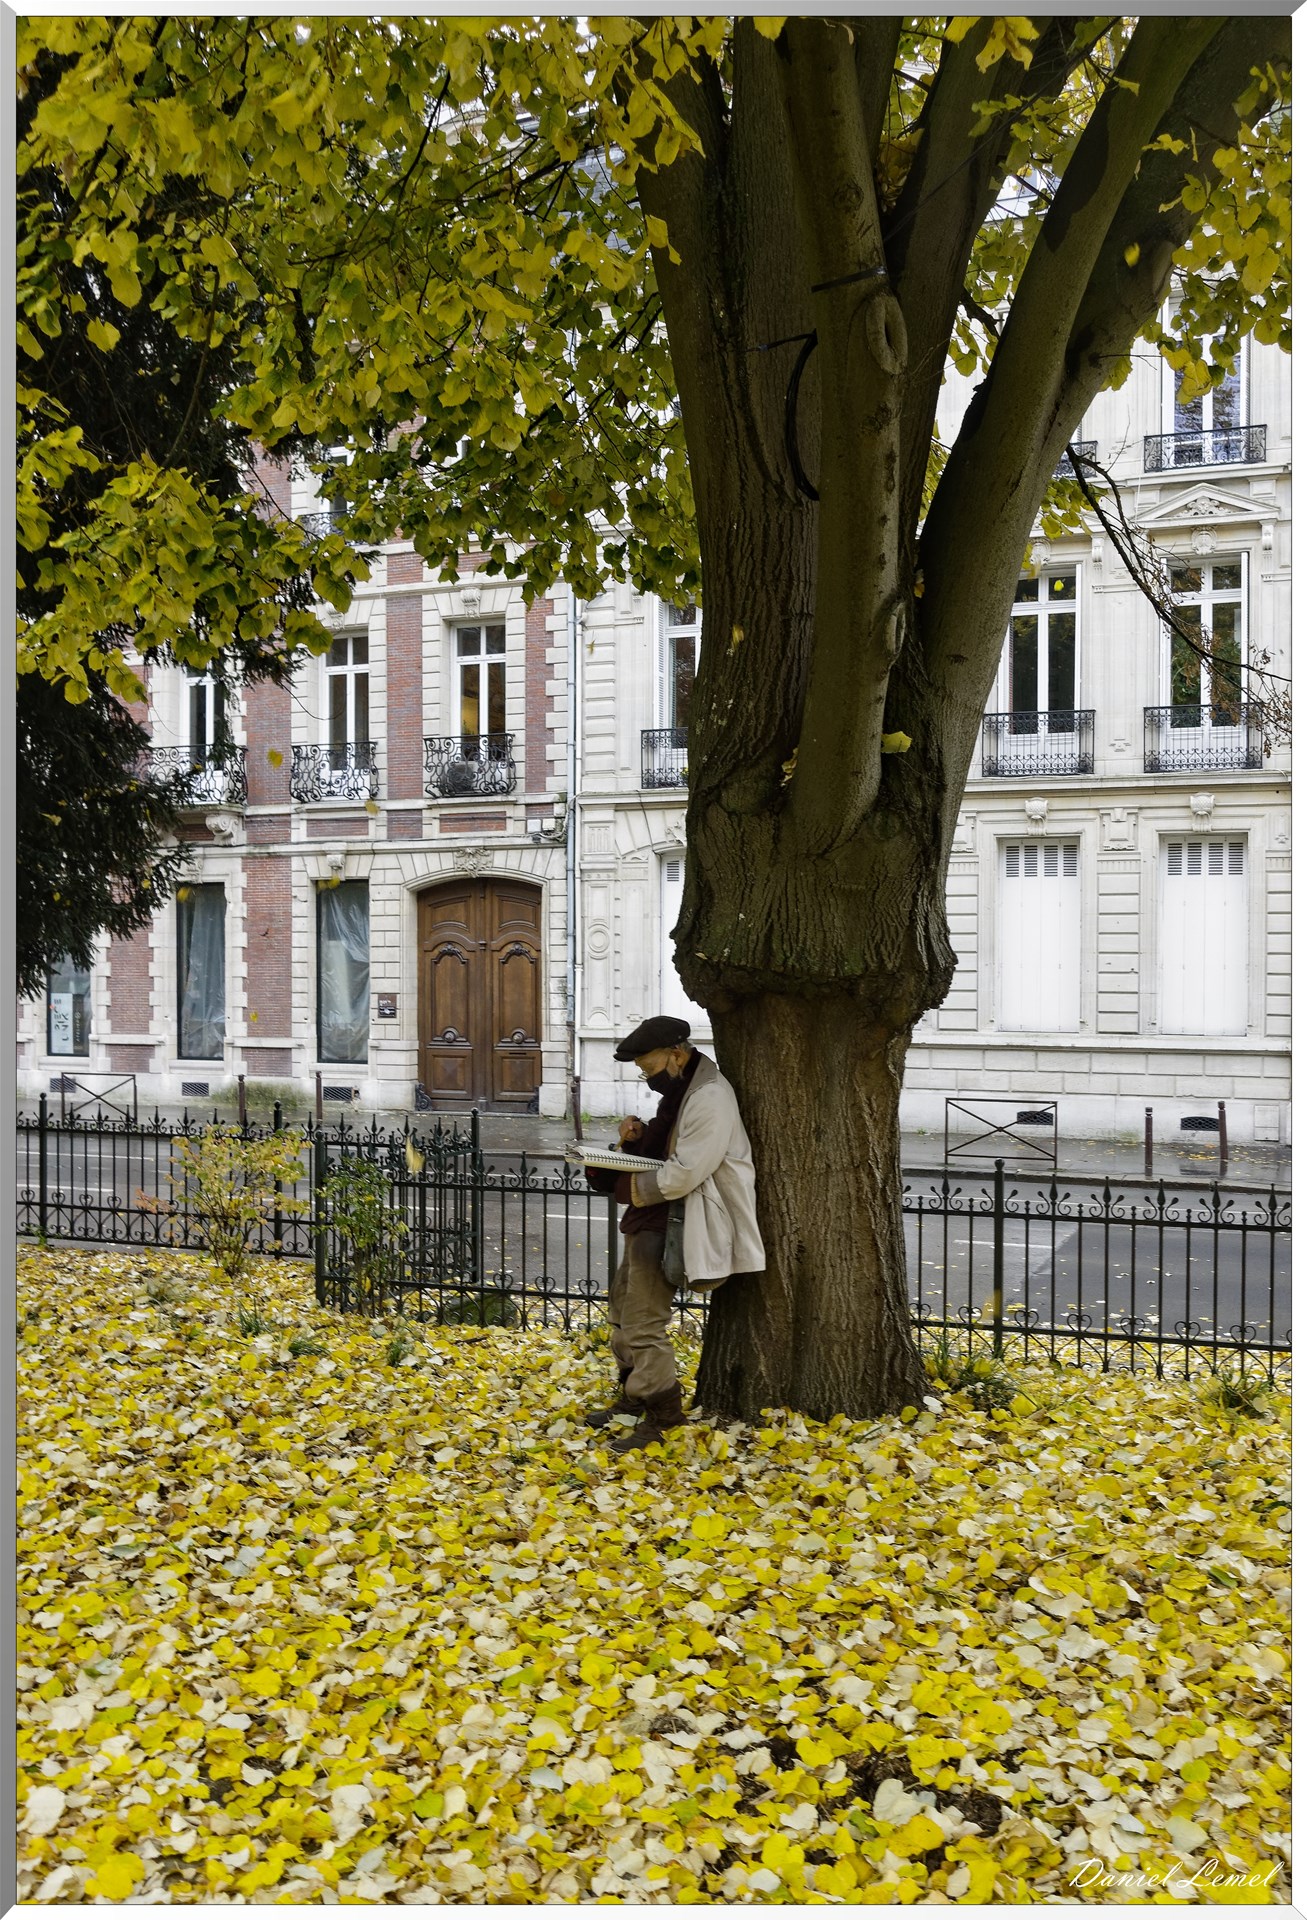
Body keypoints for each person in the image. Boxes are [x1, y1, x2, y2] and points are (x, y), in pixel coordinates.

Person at [583, 1014, 765, 1453]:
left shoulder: (710, 1097)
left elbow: (684, 1173)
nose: (648, 1079)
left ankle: (664, 1417)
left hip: (675, 1220)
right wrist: (634, 1140)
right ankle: (632, 1398)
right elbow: (667, 1151)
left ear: (677, 1054)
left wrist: (625, 1186)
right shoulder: (683, 1090)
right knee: (623, 1313)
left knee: (644, 1323)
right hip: (656, 1218)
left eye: (650, 1068)